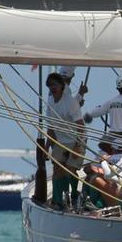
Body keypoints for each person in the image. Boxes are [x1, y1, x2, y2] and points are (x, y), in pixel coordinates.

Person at [44, 72, 86, 209]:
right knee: (57, 169)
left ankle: (74, 196)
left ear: (62, 86)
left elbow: (81, 127)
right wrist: (46, 147)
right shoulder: (50, 103)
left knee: (69, 170)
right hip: (61, 141)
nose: (52, 87)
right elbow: (51, 128)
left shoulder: (71, 103)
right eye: (49, 85)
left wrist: (78, 147)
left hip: (78, 139)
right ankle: (58, 201)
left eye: (55, 84)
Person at [83, 75, 122, 153]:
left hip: (112, 138)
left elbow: (94, 113)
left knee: (102, 143)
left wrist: (92, 112)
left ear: (117, 88)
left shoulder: (111, 102)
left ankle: (111, 156)